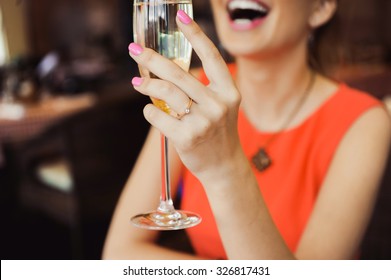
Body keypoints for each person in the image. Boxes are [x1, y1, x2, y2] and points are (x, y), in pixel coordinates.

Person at [102, 0, 391, 259]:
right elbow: (118, 254)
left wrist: (225, 169)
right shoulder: (190, 93)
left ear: (320, 7)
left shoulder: (363, 122)